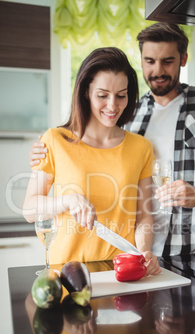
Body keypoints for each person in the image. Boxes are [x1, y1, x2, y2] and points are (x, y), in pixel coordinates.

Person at [29, 23, 195, 256]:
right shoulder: (126, 110)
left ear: (183, 59)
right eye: (149, 61)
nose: (157, 70)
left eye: (167, 61)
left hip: (190, 248)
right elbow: (90, 147)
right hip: (132, 252)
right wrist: (48, 148)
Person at [23, 47, 160, 274]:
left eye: (121, 95)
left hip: (121, 272)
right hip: (66, 272)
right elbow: (29, 209)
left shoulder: (141, 147)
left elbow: (144, 215)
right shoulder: (55, 140)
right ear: (86, 91)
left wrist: (144, 252)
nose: (113, 106)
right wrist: (68, 201)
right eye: (102, 95)